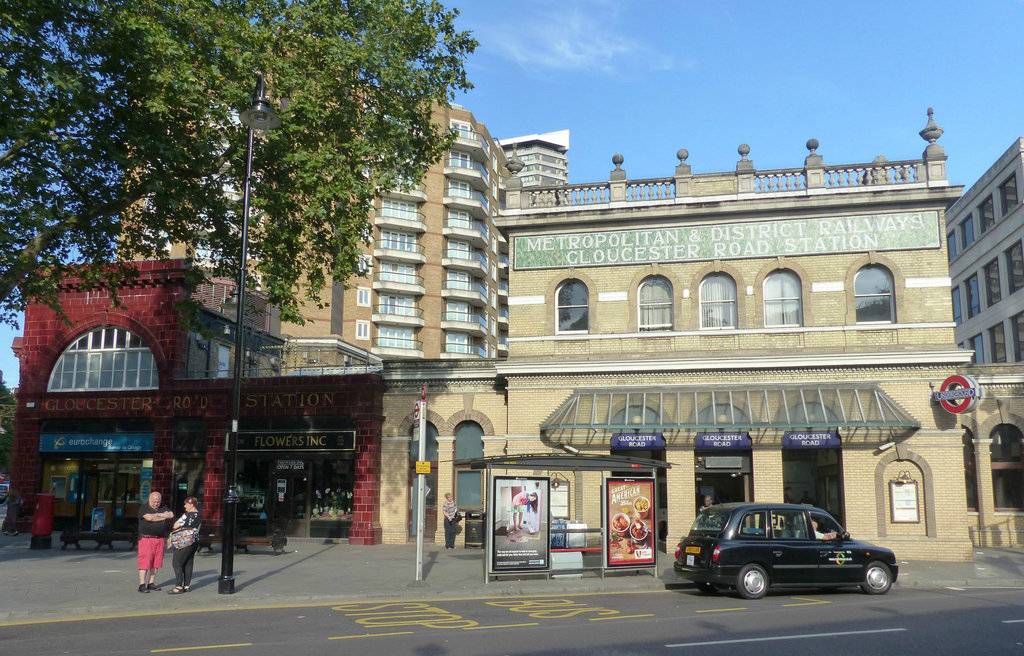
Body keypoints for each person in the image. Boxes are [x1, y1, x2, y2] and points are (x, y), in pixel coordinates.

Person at [137, 491, 174, 593]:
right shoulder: (144, 507)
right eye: (153, 501)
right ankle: (142, 584)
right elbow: (149, 518)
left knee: (156, 562)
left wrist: (157, 515)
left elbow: (171, 514)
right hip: (146, 538)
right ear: (149, 500)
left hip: (159, 539)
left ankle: (151, 583)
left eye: (158, 502)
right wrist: (162, 516)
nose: (156, 504)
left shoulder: (163, 506)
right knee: (145, 561)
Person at [169, 496, 201, 594]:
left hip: (184, 541)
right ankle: (187, 586)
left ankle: (178, 586)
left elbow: (175, 525)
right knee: (188, 561)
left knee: (177, 563)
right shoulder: (200, 514)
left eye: (186, 504)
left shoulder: (186, 515)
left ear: (191, 505)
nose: (184, 506)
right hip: (194, 540)